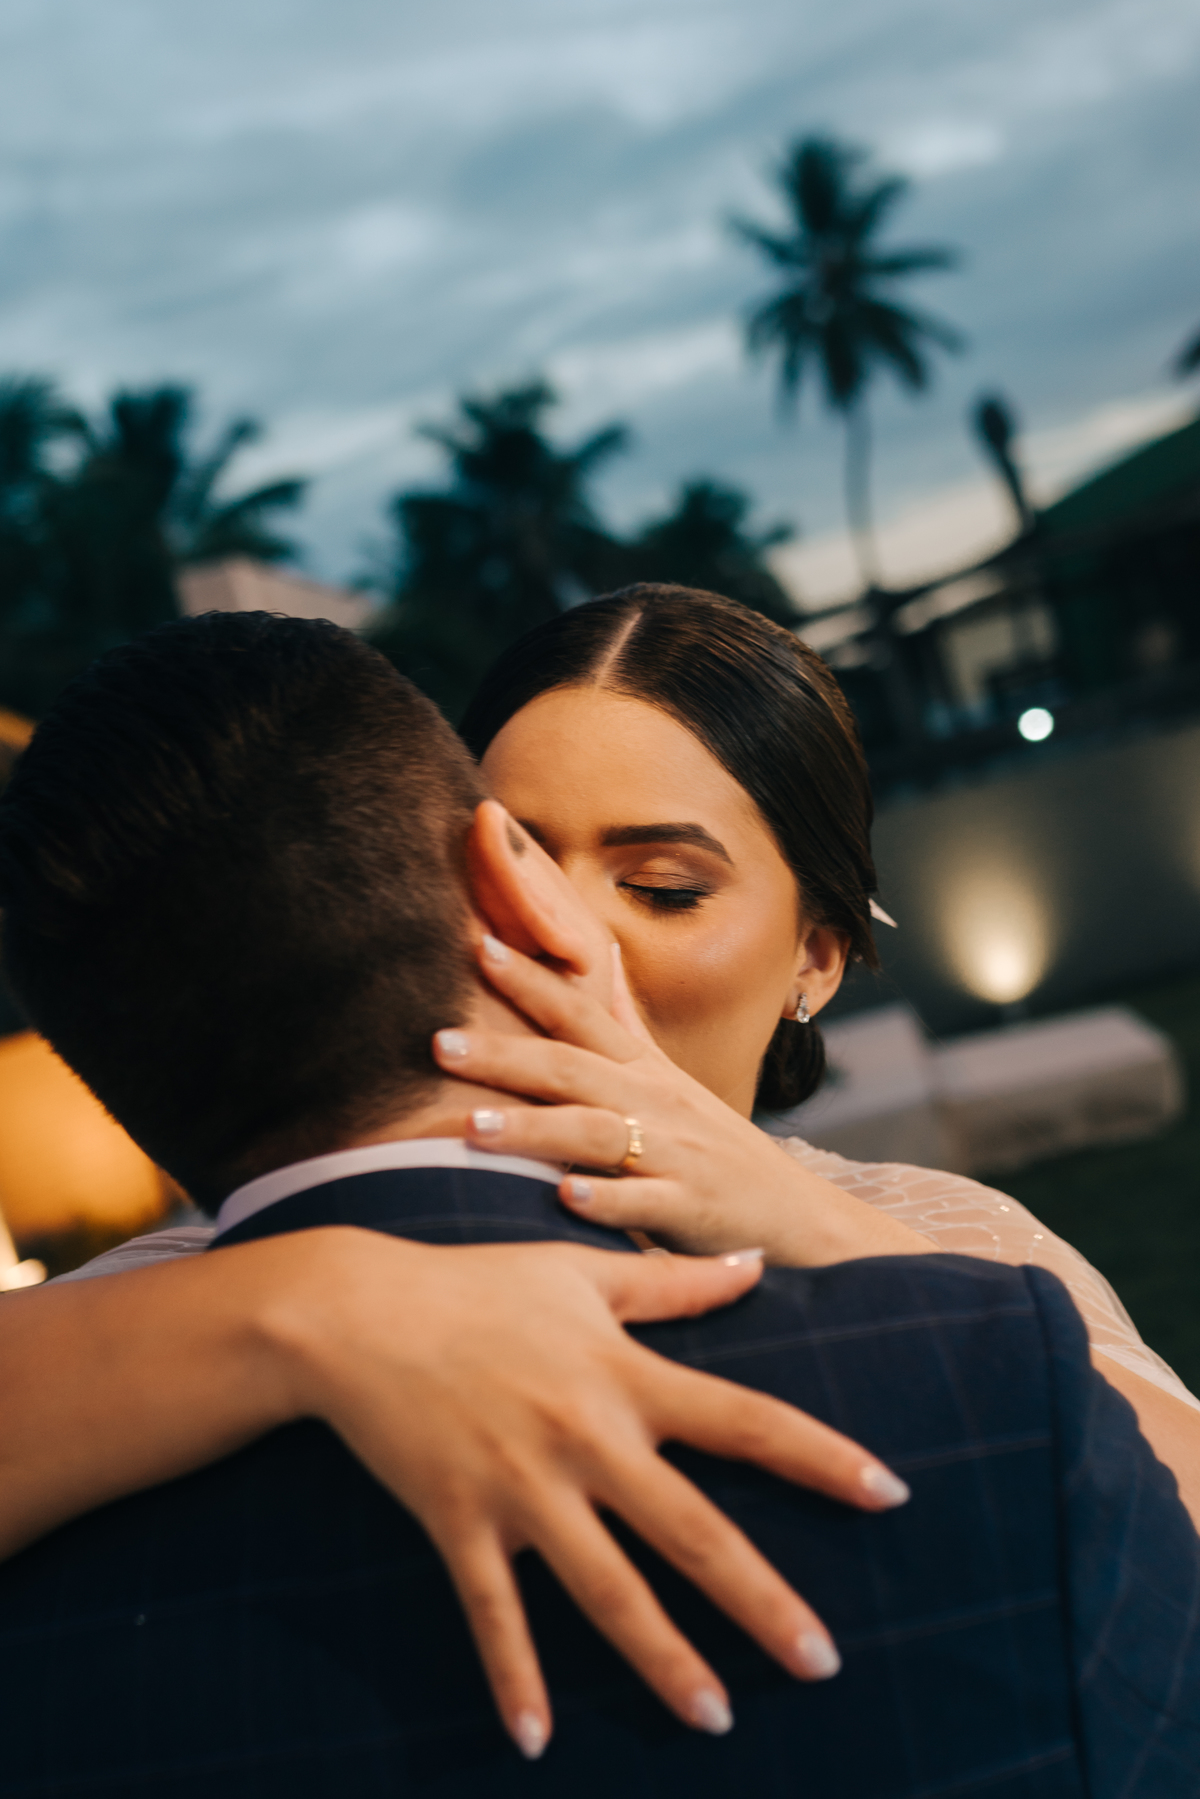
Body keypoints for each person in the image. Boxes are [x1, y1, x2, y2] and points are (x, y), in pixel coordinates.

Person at [0, 612, 1196, 1798]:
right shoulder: (185, 1301)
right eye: (516, 853)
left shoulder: (962, 1251)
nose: (573, 931)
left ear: (813, 960)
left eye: (666, 887)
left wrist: (807, 1220)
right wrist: (306, 1303)